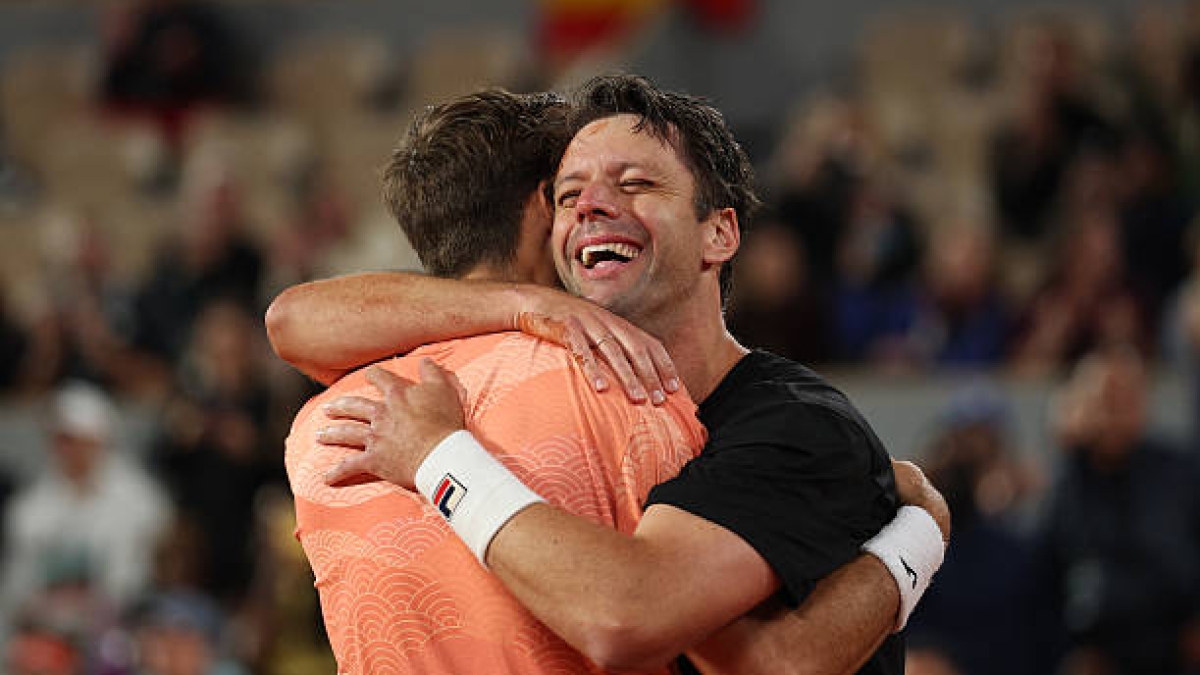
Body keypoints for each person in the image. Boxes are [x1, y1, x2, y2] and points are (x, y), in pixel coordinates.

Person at [270, 75, 947, 674]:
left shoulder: (796, 422)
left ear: (721, 232)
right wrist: (523, 303)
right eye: (570, 194)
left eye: (636, 184)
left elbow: (754, 656)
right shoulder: (581, 394)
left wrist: (437, 454)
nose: (592, 204)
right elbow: (292, 318)